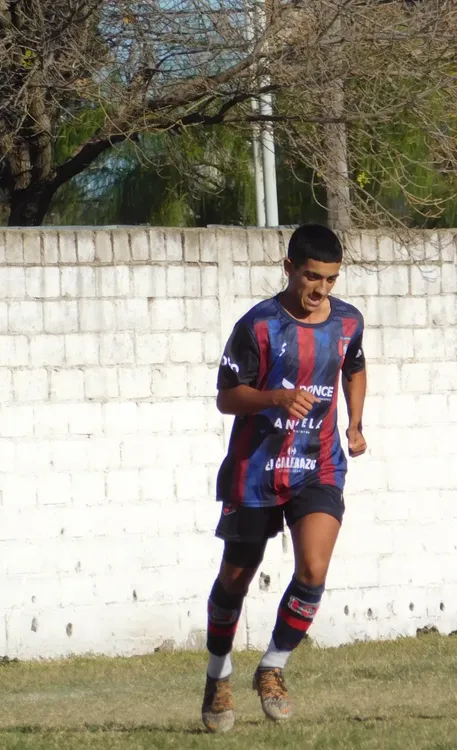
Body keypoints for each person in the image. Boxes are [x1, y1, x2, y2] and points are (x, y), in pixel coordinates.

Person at [200, 223, 368, 733]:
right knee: (235, 578)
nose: (321, 290)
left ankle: (272, 667)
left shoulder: (347, 322)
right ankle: (218, 676)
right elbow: (227, 396)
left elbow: (354, 366)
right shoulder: (258, 325)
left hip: (317, 465)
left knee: (313, 568)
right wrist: (275, 397)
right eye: (312, 277)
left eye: (331, 280)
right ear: (289, 268)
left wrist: (355, 424)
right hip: (256, 469)